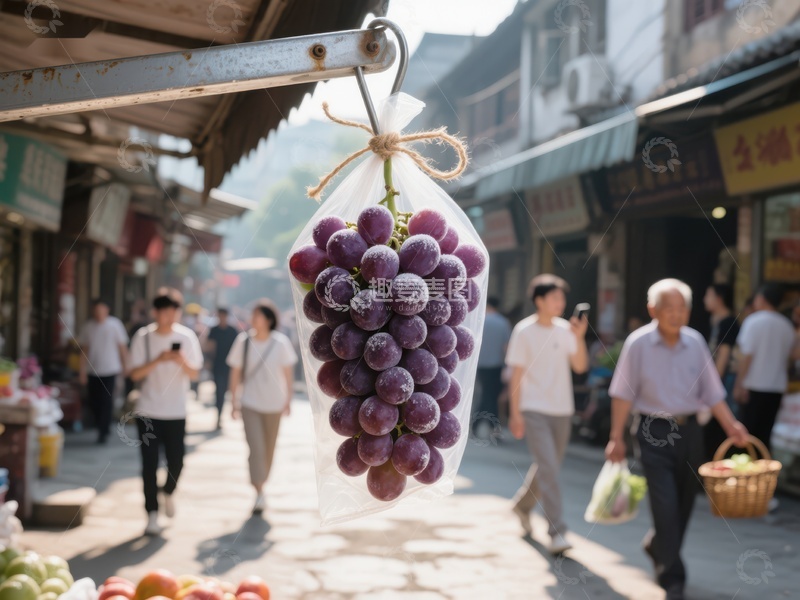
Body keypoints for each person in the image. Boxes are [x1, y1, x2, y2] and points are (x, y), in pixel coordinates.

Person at [606, 279, 748, 600]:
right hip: (651, 430)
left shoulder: (695, 342)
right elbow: (621, 394)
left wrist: (732, 426)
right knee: (665, 503)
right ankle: (672, 577)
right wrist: (616, 437)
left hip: (689, 431)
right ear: (652, 309)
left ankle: (658, 545)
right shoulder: (638, 343)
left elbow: (712, 392)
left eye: (681, 307)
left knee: (684, 503)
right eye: (668, 307)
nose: (675, 313)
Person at [506, 274, 588, 554]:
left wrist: (579, 338)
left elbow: (579, 366)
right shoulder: (524, 331)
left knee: (547, 468)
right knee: (550, 469)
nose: (560, 303)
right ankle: (557, 531)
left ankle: (522, 506)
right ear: (539, 300)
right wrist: (514, 414)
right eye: (554, 297)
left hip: (562, 409)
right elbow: (516, 376)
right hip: (534, 409)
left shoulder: (567, 330)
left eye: (562, 298)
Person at [127, 288, 203, 536]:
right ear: (155, 313)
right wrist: (159, 360)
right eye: (166, 312)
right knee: (149, 465)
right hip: (148, 411)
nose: (170, 317)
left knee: (177, 462)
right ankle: (151, 513)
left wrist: (180, 359)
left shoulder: (187, 337)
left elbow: (195, 374)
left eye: (174, 312)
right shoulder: (143, 337)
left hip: (176, 411)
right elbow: (134, 374)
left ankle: (168, 491)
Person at [227, 299, 297, 515]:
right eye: (253, 315)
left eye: (258, 316)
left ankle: (261, 482)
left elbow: (288, 374)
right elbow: (235, 372)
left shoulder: (280, 342)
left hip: (274, 404)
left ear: (268, 319)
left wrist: (288, 399)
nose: (253, 319)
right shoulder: (243, 341)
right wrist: (233, 401)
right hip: (250, 403)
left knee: (268, 449)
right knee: (256, 448)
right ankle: (258, 491)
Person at [734, 284, 796, 453]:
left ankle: (748, 473)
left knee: (746, 436)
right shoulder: (787, 326)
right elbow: (791, 358)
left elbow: (746, 357)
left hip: (753, 386)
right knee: (765, 436)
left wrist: (739, 384)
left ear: (761, 299)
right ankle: (764, 472)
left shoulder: (753, 321)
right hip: (776, 388)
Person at [78, 299, 129, 444]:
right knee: (94, 401)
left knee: (106, 401)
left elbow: (122, 348)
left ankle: (104, 430)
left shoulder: (115, 325)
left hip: (111, 370)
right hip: (93, 371)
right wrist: (82, 372)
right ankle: (99, 424)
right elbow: (84, 351)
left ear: (107, 310)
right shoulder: (88, 327)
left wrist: (126, 366)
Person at [702, 283, 740, 458]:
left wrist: (713, 383)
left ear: (719, 298)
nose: (705, 300)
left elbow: (723, 356)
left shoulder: (728, 322)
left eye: (708, 295)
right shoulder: (715, 321)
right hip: (717, 379)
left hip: (724, 380)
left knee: (719, 423)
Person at [474, 297, 511, 436]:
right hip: (495, 365)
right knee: (491, 396)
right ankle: (492, 427)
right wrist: (507, 366)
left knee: (484, 395)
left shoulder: (480, 321)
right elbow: (506, 347)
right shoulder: (503, 323)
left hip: (480, 365)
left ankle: (477, 425)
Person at [205, 308, 239, 429]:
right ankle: (219, 417)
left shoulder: (232, 330)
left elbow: (238, 348)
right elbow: (209, 347)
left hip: (231, 366)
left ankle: (227, 412)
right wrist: (208, 361)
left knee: (227, 391)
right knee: (219, 392)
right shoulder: (214, 330)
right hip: (218, 365)